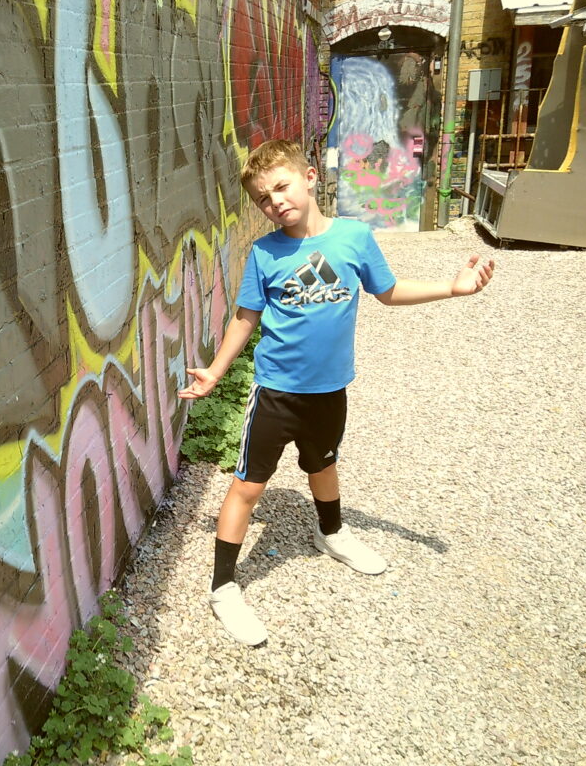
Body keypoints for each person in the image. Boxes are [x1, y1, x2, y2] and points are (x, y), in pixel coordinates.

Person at [178, 139, 494, 646]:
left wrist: (450, 287)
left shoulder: (353, 238)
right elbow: (245, 318)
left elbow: (388, 292)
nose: (275, 201)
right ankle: (223, 587)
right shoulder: (264, 253)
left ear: (308, 177)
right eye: (263, 198)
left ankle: (331, 533)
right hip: (277, 394)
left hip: (330, 392)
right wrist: (215, 372)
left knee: (323, 464)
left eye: (281, 186)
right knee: (248, 486)